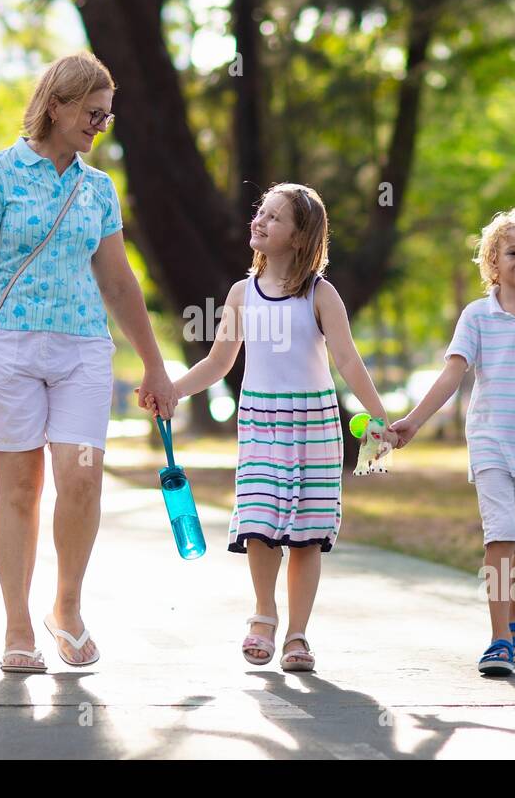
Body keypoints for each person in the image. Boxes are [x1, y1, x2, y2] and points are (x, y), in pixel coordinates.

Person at [0, 51, 177, 673]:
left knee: (81, 477)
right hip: (10, 347)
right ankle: (17, 626)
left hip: (84, 348)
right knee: (21, 488)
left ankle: (68, 607)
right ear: (55, 104)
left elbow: (118, 283)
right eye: (92, 113)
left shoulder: (98, 188)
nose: (99, 126)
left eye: (107, 118)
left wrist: (156, 367)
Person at [162, 183, 394, 672]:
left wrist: (379, 417)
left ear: (300, 237)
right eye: (260, 212)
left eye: (274, 218)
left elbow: (347, 359)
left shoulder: (320, 294)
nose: (260, 222)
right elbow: (218, 361)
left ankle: (297, 636)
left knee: (308, 534)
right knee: (260, 524)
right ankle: (263, 616)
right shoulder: (242, 293)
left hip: (315, 426)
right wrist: (172, 389)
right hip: (261, 423)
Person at [390, 208, 515, 676]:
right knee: (500, 533)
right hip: (490, 441)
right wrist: (415, 422)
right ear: (492, 263)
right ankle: (499, 639)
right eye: (513, 252)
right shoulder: (477, 315)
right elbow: (452, 375)